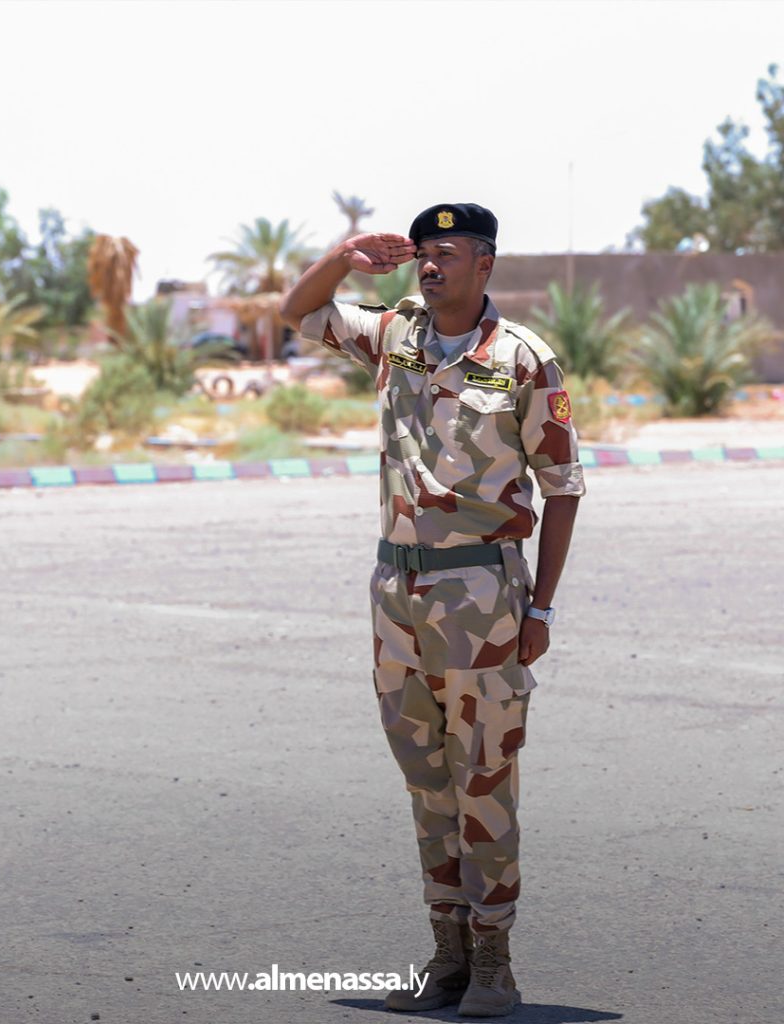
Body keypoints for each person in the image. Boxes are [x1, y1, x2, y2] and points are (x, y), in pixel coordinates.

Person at [280, 204, 585, 1017]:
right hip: (397, 593)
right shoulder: (397, 335)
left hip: (482, 593)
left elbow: (564, 491)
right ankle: (445, 952)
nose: (429, 267)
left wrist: (543, 609)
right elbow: (297, 313)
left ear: (485, 266)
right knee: (426, 779)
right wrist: (344, 258)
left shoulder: (525, 360)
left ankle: (493, 961)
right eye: (422, 254)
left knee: (484, 777)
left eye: (446, 254)